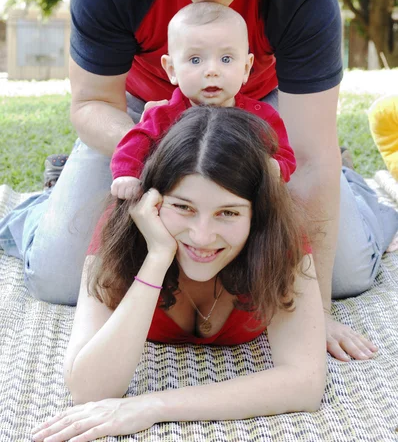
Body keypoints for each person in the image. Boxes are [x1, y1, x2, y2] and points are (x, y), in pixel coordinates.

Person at [0, 0, 397, 362]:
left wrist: (312, 311)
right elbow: (91, 103)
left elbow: (311, 155)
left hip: (263, 113)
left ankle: (363, 196)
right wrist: (173, 148)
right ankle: (36, 207)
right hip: (147, 115)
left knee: (339, 272)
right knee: (57, 276)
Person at [32, 107, 327, 442]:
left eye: (227, 212)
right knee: (46, 261)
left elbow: (305, 383)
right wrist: (157, 257)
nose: (202, 236)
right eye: (184, 207)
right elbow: (89, 388)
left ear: (256, 213)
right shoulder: (119, 236)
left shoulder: (279, 239)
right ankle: (43, 200)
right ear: (152, 200)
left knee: (355, 271)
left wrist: (153, 406)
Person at [111, 1, 296, 200]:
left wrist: (275, 166)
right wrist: (126, 175)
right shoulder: (162, 116)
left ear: (245, 68)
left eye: (226, 59)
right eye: (195, 60)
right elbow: (133, 145)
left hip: (240, 203)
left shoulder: (261, 117)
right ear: (171, 70)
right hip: (177, 202)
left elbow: (285, 155)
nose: (212, 71)